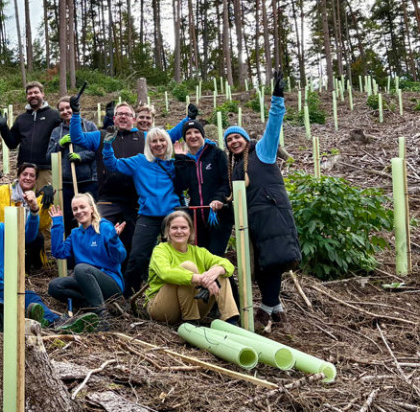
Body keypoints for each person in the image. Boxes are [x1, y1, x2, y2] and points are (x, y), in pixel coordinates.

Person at [0, 189, 98, 333]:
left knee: (30, 297)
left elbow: (27, 237)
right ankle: (26, 319)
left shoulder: (0, 229)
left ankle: (59, 324)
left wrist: (34, 210)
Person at [69, 99, 195, 266]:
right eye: (119, 114)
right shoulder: (100, 136)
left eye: (127, 114)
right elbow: (77, 137)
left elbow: (168, 136)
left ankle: (130, 280)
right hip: (108, 199)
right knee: (96, 230)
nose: (123, 117)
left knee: (133, 243)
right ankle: (91, 268)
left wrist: (187, 120)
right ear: (113, 118)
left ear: (133, 119)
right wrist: (76, 114)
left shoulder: (144, 138)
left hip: (136, 202)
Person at [224, 70, 301, 326]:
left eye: (237, 137)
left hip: (271, 214)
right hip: (252, 220)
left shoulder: (263, 152)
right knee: (263, 263)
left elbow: (274, 124)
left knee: (273, 261)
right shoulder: (234, 166)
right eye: (229, 139)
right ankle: (275, 305)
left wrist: (277, 97)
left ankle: (268, 305)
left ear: (246, 139)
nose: (233, 141)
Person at [101, 126, 182, 297]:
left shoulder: (175, 164)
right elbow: (112, 164)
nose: (158, 144)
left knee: (176, 255)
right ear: (148, 144)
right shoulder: (139, 161)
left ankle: (173, 295)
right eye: (154, 141)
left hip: (173, 216)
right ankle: (128, 296)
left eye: (162, 140)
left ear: (168, 143)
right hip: (148, 215)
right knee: (137, 256)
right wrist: (107, 146)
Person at [146, 211, 239, 324]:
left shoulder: (199, 252)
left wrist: (216, 271)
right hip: (164, 308)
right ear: (168, 232)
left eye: (184, 227)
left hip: (195, 306)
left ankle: (230, 320)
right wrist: (200, 278)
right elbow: (166, 273)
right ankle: (191, 322)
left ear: (190, 231)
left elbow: (228, 265)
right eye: (174, 228)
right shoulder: (161, 250)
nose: (179, 231)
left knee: (219, 271)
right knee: (187, 267)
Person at [47, 194, 127, 318]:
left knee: (81, 268)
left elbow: (119, 258)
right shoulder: (75, 234)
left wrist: (114, 241)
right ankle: (88, 305)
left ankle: (101, 314)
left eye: (82, 207)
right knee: (54, 286)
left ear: (91, 208)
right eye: (75, 209)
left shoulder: (105, 227)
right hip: (85, 281)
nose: (79, 211)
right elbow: (59, 252)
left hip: (110, 283)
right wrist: (57, 224)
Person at [173, 119, 232, 257]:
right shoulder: (186, 160)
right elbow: (181, 186)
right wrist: (180, 159)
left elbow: (226, 181)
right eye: (188, 133)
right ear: (185, 138)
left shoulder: (217, 154)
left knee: (214, 256)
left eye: (196, 132)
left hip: (218, 214)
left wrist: (219, 199)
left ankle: (224, 278)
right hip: (197, 216)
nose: (193, 136)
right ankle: (226, 279)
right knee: (203, 259)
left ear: (203, 135)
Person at [0, 81, 61, 190]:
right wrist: (3, 127)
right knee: (24, 201)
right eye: (30, 93)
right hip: (25, 170)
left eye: (36, 92)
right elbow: (12, 144)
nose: (33, 95)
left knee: (46, 202)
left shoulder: (54, 116)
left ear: (43, 94)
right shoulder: (21, 119)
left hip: (46, 168)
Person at [46, 96, 98, 232]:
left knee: (90, 216)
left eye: (68, 107)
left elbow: (97, 151)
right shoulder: (57, 132)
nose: (65, 111)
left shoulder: (89, 126)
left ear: (74, 108)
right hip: (66, 184)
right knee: (70, 217)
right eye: (61, 109)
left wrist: (80, 157)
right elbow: (49, 156)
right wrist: (60, 144)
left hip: (88, 181)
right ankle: (72, 249)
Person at [0, 163, 51, 270]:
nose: (28, 178)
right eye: (24, 174)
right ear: (18, 176)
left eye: (32, 175)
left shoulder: (40, 197)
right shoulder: (2, 191)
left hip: (27, 239)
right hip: (3, 237)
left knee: (38, 238)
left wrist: (45, 207)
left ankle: (28, 267)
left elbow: (43, 225)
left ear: (36, 180)